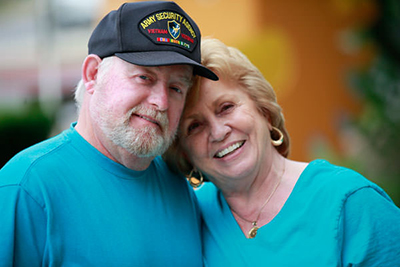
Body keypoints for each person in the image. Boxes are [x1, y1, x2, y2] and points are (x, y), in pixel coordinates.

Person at [0, 2, 218, 266]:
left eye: (176, 88)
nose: (161, 102)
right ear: (92, 74)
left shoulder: (177, 184)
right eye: (144, 77)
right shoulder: (27, 186)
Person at [164, 38, 400, 266]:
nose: (218, 132)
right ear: (184, 152)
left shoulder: (352, 203)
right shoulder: (190, 215)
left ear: (264, 112)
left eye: (226, 108)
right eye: (194, 126)